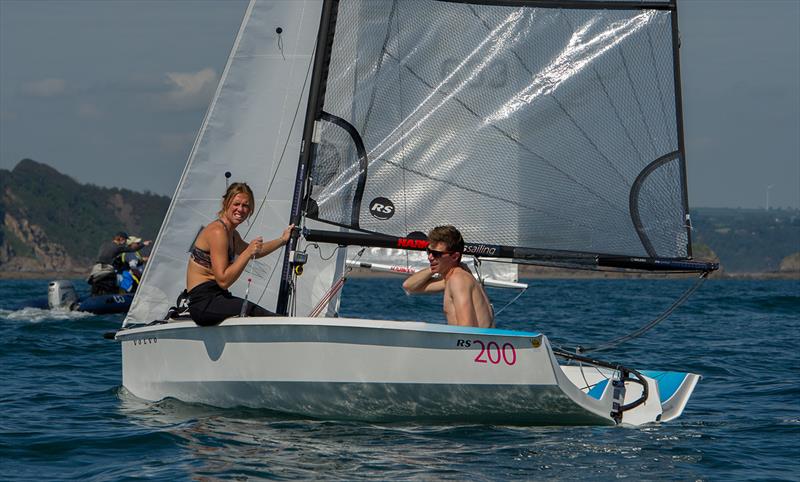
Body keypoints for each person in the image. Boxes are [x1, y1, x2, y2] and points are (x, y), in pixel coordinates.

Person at [186, 182, 293, 326]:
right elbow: (223, 281)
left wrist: (282, 240)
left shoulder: (232, 234)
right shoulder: (218, 232)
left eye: (245, 206)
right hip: (203, 302)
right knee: (255, 311)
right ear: (226, 203)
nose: (240, 209)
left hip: (217, 297)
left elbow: (256, 251)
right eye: (236, 204)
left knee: (257, 311)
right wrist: (248, 253)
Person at [402, 225, 494, 328]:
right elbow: (409, 286)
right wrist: (435, 267)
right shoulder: (452, 278)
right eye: (429, 251)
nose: (430, 257)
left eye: (436, 254)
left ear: (455, 256)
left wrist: (440, 265)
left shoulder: (458, 280)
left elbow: (467, 329)